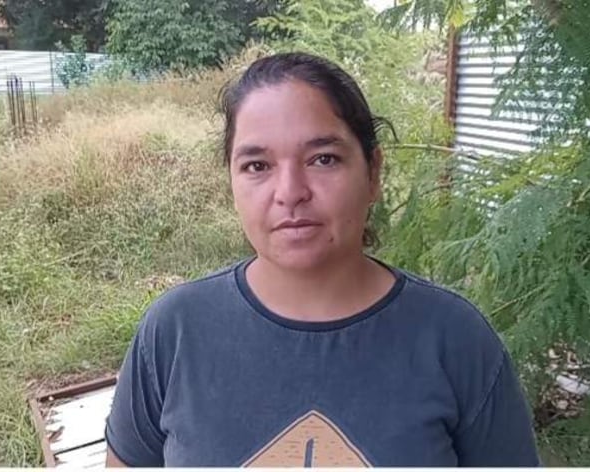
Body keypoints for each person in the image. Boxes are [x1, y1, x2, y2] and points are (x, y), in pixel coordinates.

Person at [104, 52, 540, 467]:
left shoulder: (455, 339)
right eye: (257, 166)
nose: (290, 191)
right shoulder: (174, 331)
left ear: (373, 173)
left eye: (323, 159)